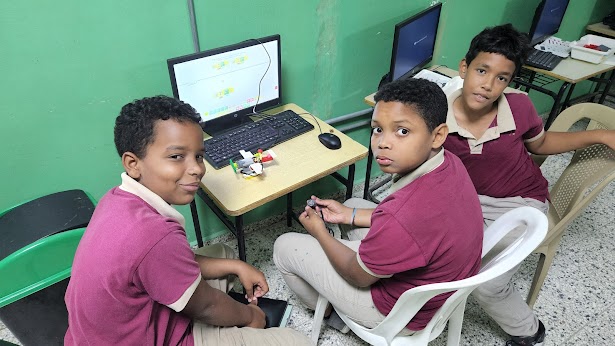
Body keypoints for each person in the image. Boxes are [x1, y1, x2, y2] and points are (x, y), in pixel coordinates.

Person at [64, 95, 310, 346]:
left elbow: (166, 261)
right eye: (176, 157)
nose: (196, 169)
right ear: (133, 163)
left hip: (100, 334)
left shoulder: (116, 198)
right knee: (297, 342)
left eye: (199, 156)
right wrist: (251, 317)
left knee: (224, 254)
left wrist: (238, 266)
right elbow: (206, 305)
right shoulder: (154, 235)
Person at [443, 24, 615, 346]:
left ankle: (528, 330)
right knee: (427, 254)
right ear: (464, 67)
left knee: (487, 283)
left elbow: (541, 143)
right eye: (482, 70)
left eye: (502, 78)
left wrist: (599, 135)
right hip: (466, 200)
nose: (489, 85)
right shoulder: (437, 115)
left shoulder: (519, 106)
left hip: (519, 202)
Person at [273, 78, 484, 333]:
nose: (382, 143)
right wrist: (348, 214)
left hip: (399, 311)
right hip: (437, 286)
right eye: (377, 129)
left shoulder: (404, 215)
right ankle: (357, 238)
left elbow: (358, 276)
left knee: (283, 246)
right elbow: (405, 223)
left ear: (437, 135)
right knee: (352, 204)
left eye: (402, 131)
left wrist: (319, 233)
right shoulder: (449, 162)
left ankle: (333, 315)